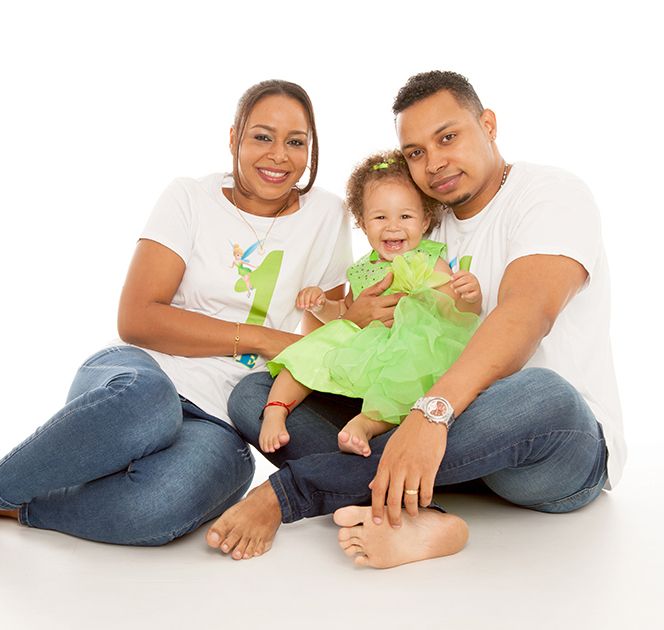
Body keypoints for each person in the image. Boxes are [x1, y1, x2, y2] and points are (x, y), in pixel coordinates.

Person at [0, 79, 353, 554]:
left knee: (167, 503)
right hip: (140, 377)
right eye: (261, 137)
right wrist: (263, 339)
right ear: (233, 138)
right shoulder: (189, 197)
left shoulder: (328, 215)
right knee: (151, 404)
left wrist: (357, 322)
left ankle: (7, 503)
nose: (278, 156)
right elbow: (137, 318)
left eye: (296, 142)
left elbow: (317, 344)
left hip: (222, 417)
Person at [206, 70, 626, 568]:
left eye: (448, 137)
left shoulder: (550, 194)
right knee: (258, 393)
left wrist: (432, 412)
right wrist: (357, 315)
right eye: (416, 152)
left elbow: (525, 315)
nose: (434, 162)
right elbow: (343, 342)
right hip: (439, 444)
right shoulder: (420, 218)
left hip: (542, 445)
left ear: (488, 125)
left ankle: (295, 492)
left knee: (545, 392)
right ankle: (423, 511)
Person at [259, 150, 482, 458]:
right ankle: (275, 409)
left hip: (405, 346)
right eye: (380, 217)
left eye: (405, 216)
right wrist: (321, 305)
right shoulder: (363, 269)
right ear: (363, 224)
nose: (393, 227)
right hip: (365, 347)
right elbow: (345, 314)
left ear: (425, 219)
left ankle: (365, 425)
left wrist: (469, 295)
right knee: (312, 349)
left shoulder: (428, 259)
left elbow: (454, 314)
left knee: (406, 375)